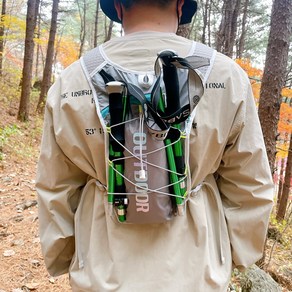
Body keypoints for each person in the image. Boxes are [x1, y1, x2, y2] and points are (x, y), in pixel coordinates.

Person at [36, 0, 274, 291]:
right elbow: (251, 185)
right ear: (180, 5)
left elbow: (55, 186)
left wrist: (65, 257)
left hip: (101, 269)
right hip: (198, 271)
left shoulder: (70, 81)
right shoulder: (226, 75)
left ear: (119, 8)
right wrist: (235, 255)